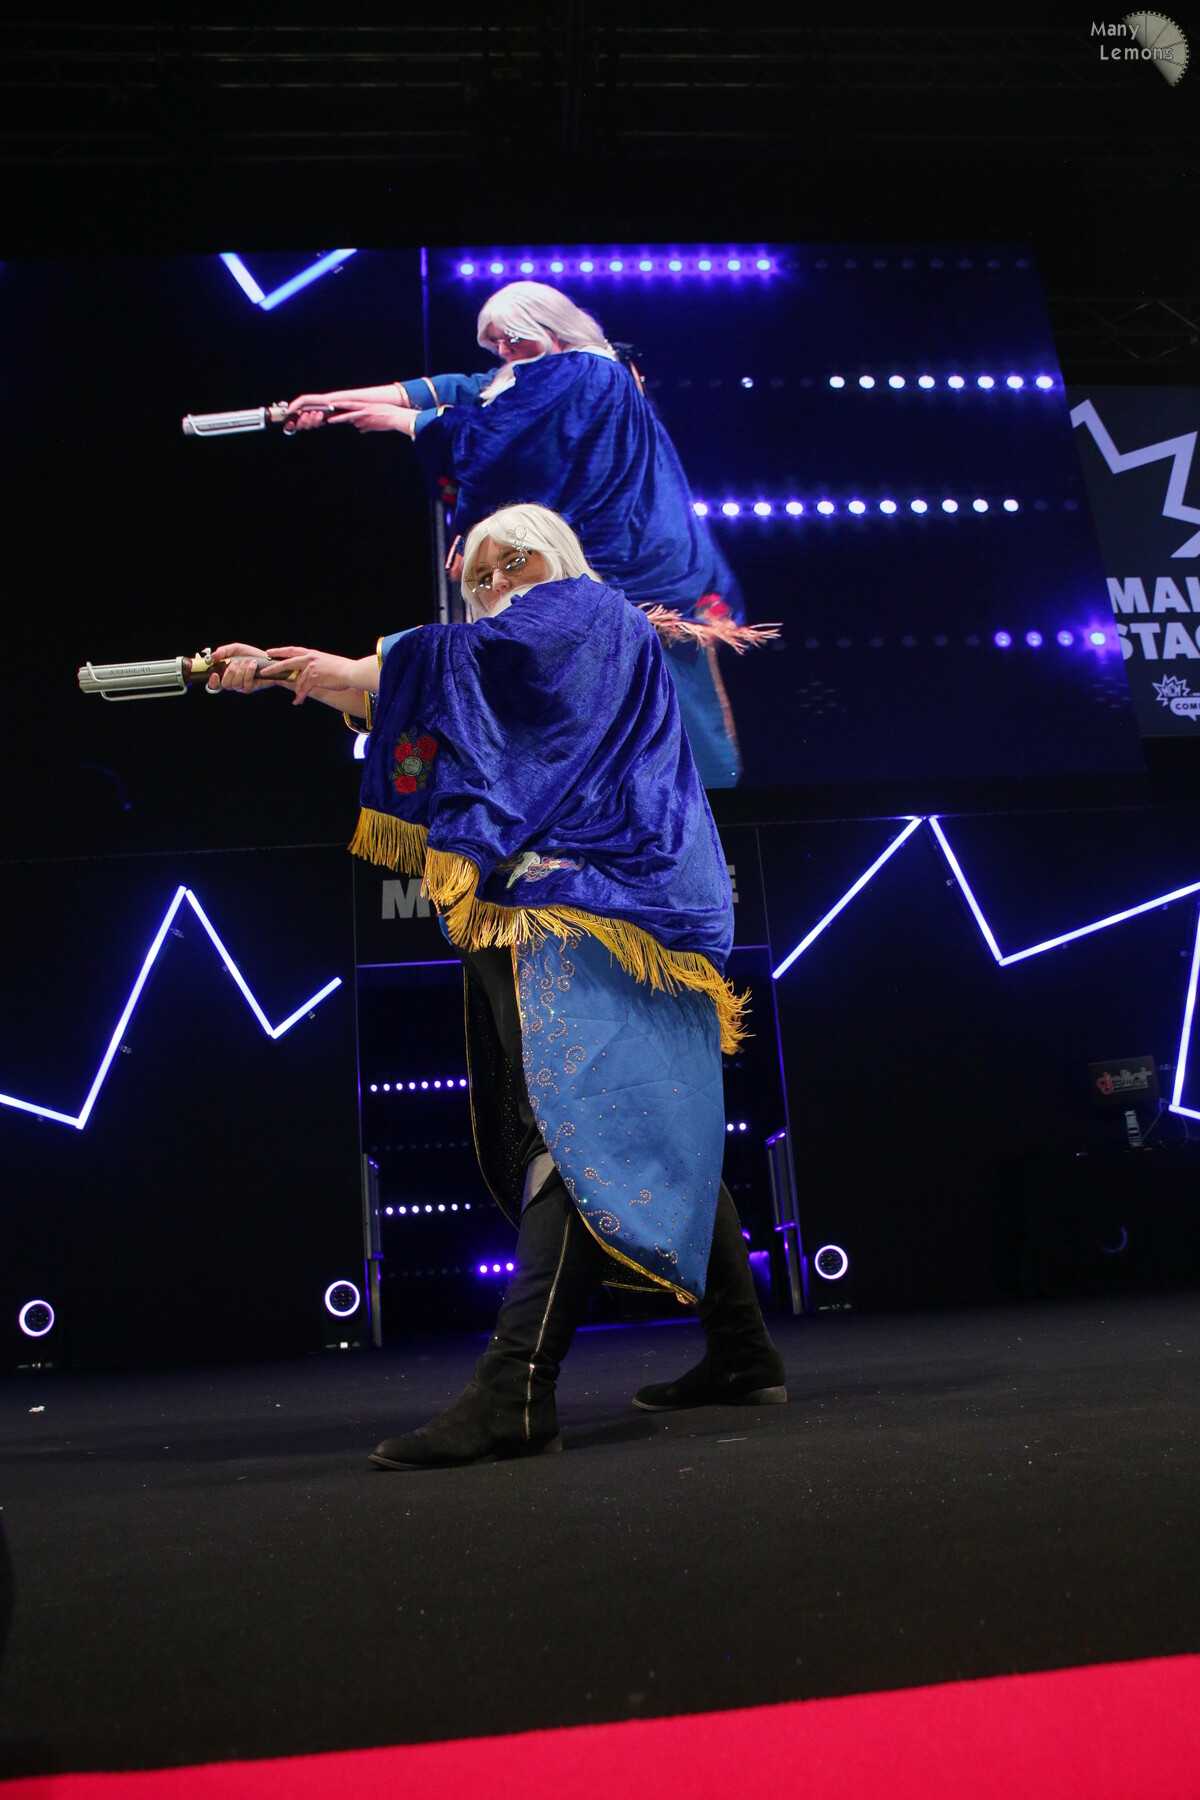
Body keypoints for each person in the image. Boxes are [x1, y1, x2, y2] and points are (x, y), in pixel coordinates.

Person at [210, 503, 785, 1469]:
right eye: (475, 579)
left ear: (546, 555)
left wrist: (317, 666)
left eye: (503, 565)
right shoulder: (550, 645)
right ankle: (741, 1346)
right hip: (600, 897)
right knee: (637, 1112)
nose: (488, 589)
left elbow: (452, 668)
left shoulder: (582, 609)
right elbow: (452, 709)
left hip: (603, 897)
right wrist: (291, 675)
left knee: (580, 1120)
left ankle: (517, 1391)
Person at [281, 280, 759, 788]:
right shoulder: (538, 376)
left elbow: (505, 437)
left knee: (645, 694)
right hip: (598, 568)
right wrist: (335, 402)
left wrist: (409, 422)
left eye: (513, 338)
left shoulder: (586, 370)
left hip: (625, 558)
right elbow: (465, 390)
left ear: (550, 328)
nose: (504, 351)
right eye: (495, 343)